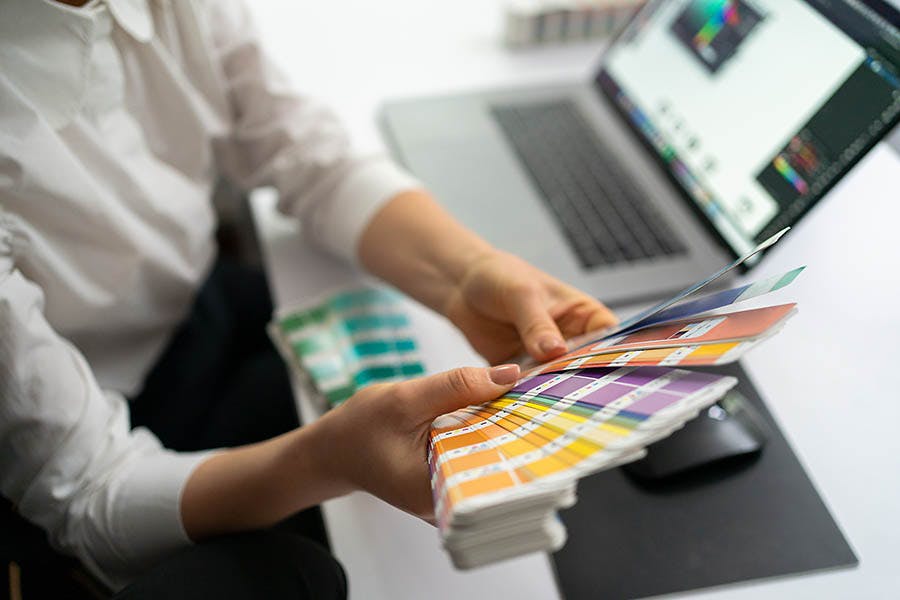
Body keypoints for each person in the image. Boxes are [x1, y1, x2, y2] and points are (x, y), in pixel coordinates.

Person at [0, 0, 617, 597]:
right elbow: (88, 492)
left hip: (189, 310)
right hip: (92, 429)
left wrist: (468, 272)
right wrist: (327, 461)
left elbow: (304, 154)